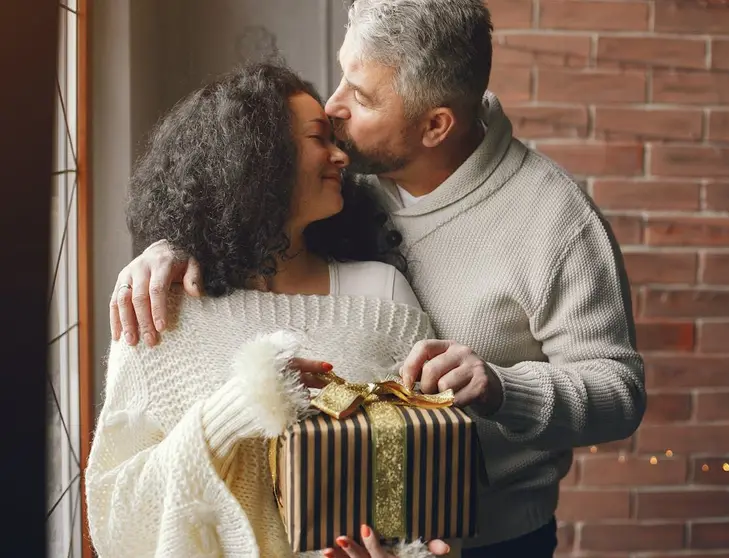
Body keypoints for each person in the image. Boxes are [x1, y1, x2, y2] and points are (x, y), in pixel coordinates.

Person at [110, 1, 647, 556]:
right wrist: (174, 244)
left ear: (435, 125)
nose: (334, 104)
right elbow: (252, 196)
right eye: (343, 74)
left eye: (361, 97)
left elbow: (620, 393)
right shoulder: (344, 176)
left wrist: (503, 388)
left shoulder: (556, 223)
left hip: (495, 537)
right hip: (340, 529)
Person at [86, 61, 453, 558]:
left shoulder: (381, 294)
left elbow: (428, 472)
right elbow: (116, 515)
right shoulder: (160, 307)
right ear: (258, 159)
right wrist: (235, 412)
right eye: (319, 137)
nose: (340, 155)